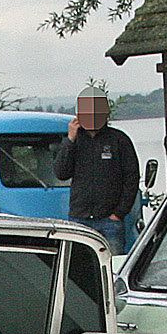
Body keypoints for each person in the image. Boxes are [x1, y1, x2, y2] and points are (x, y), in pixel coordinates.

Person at [53, 88, 140, 253]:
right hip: (80, 218)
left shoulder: (119, 140)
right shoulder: (74, 141)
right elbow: (61, 173)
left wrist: (119, 213)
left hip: (110, 220)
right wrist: (70, 140)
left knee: (112, 265)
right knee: (79, 268)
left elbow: (132, 178)